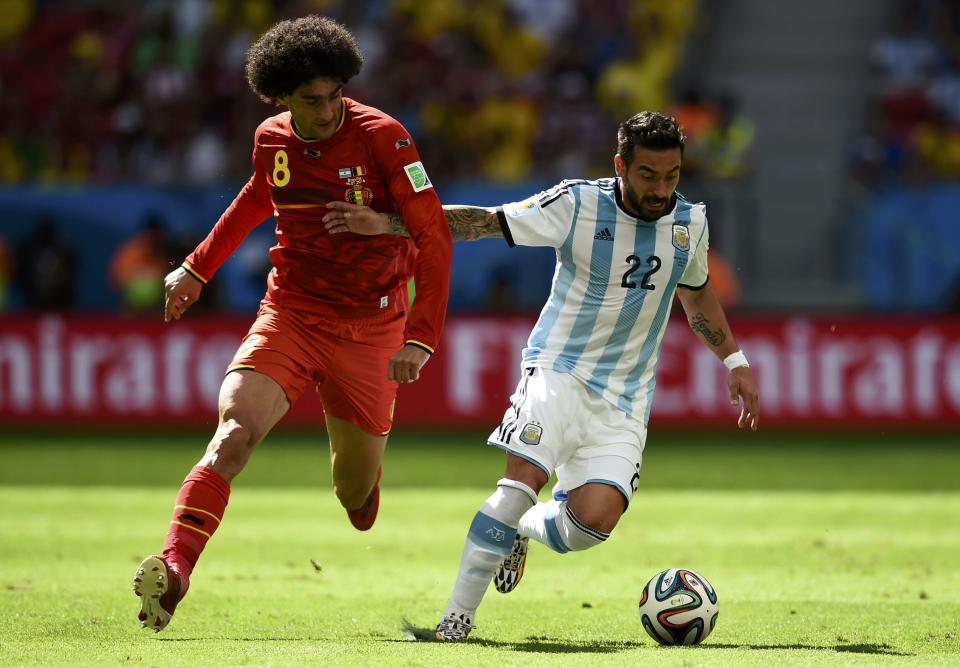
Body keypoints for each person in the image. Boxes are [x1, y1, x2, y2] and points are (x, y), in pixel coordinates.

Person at [323, 111, 760, 642]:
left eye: (672, 176)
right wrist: (390, 222)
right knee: (518, 487)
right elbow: (482, 221)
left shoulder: (689, 223)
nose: (661, 189)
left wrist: (734, 361)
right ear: (620, 165)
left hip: (625, 397)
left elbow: (695, 294)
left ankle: (518, 533)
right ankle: (455, 622)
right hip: (557, 369)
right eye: (648, 175)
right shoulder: (575, 204)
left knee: (591, 525)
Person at [133, 15, 452, 633]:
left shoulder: (384, 137)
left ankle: (363, 488)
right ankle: (174, 570)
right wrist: (196, 269)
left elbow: (433, 232)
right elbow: (259, 194)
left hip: (372, 328)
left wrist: (420, 336)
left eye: (336, 94)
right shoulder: (271, 140)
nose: (329, 109)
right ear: (281, 97)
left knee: (352, 494)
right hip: (292, 314)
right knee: (232, 436)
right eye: (313, 99)